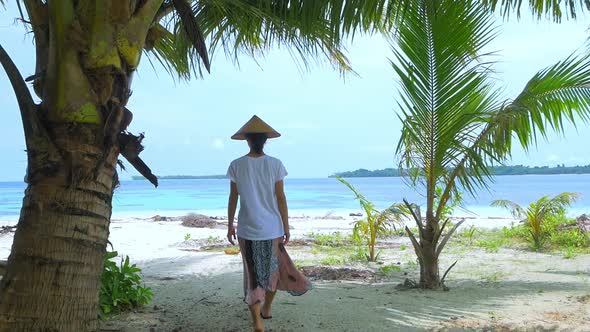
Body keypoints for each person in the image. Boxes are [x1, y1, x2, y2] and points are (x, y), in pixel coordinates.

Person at [226, 115, 311, 332]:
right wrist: (286, 226)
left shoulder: (237, 165)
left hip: (247, 230)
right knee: (273, 271)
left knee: (252, 275)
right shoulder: (275, 165)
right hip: (272, 229)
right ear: (265, 141)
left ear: (247, 140)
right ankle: (268, 307)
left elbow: (233, 198)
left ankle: (258, 321)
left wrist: (230, 225)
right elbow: (280, 198)